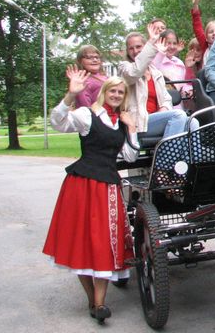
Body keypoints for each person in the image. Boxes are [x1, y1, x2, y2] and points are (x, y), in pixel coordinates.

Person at [43, 68, 139, 324]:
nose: (116, 95)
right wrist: (70, 95)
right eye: (113, 91)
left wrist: (131, 128)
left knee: (104, 242)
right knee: (81, 239)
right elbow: (58, 123)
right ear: (104, 92)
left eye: (121, 92)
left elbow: (130, 156)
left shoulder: (121, 122)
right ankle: (93, 301)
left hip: (108, 188)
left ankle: (100, 303)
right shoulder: (87, 115)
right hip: (81, 185)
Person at [117, 24, 195, 139]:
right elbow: (136, 71)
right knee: (178, 115)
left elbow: (166, 99)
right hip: (138, 122)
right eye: (131, 48)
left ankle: (191, 152)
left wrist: (164, 109)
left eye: (138, 47)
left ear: (144, 47)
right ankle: (167, 151)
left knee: (192, 122)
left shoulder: (155, 72)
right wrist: (152, 41)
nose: (135, 51)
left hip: (156, 119)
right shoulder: (124, 68)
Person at [151, 28, 189, 105]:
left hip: (178, 104)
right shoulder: (156, 60)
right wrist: (161, 52)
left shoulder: (179, 63)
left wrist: (187, 91)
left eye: (174, 43)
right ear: (161, 43)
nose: (172, 47)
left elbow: (184, 83)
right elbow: (153, 72)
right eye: (168, 43)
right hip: (161, 103)